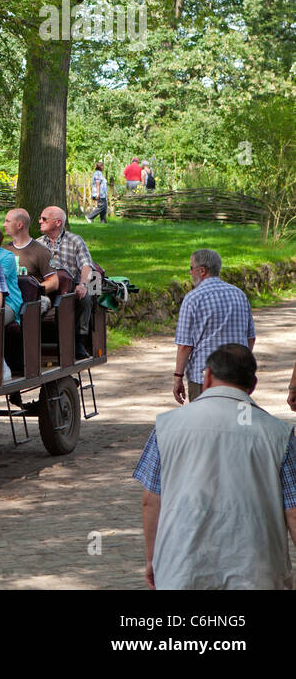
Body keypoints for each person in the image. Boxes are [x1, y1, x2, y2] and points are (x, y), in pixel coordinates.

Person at [134, 344, 296, 590]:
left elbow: (151, 500)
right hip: (257, 573)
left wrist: (152, 559)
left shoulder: (166, 427)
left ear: (207, 376)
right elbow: (293, 512)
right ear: (253, 385)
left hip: (181, 570)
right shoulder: (279, 434)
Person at [172, 249, 255, 404]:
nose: (190, 273)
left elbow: (185, 346)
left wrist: (178, 377)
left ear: (202, 270)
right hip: (237, 377)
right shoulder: (239, 294)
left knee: (203, 425)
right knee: (235, 423)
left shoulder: (193, 299)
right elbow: (250, 338)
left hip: (204, 378)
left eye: (191, 268)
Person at [38, 206, 97, 357]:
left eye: (44, 219)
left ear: (57, 222)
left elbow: (86, 265)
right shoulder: (38, 244)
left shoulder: (75, 240)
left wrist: (83, 285)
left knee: (85, 298)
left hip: (71, 288)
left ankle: (79, 340)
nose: (39, 221)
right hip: (48, 288)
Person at [3, 208, 58, 309]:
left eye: (7, 221)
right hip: (10, 297)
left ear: (19, 225)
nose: (4, 224)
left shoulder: (41, 251)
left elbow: (54, 282)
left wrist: (31, 291)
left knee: (33, 307)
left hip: (33, 298)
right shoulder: (4, 250)